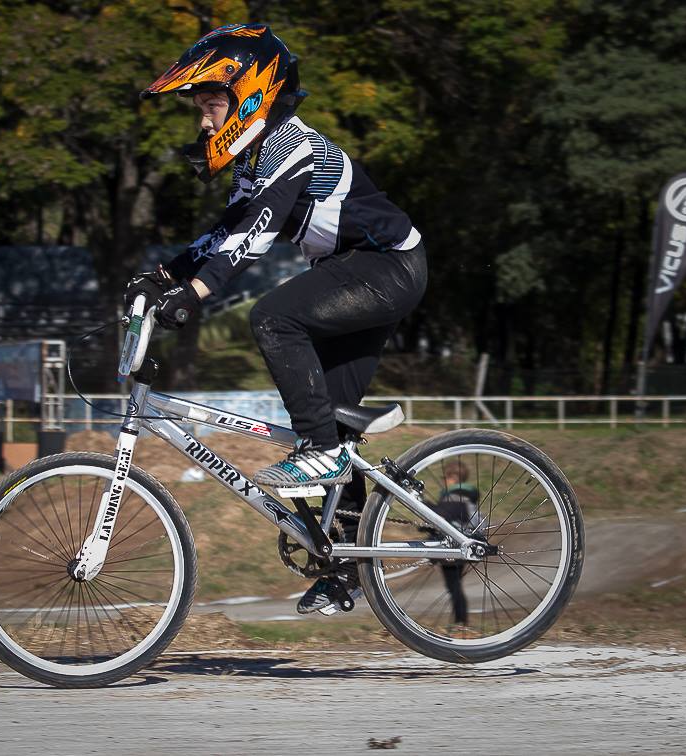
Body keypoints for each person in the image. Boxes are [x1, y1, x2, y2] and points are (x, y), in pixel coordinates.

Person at [130, 23, 427, 613]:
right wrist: (165, 276)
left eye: (212, 105)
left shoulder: (291, 147)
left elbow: (253, 236)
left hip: (386, 267)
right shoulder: (257, 160)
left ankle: (316, 450)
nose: (204, 122)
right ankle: (344, 568)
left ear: (251, 97)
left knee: (274, 318)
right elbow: (225, 230)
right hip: (357, 271)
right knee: (337, 430)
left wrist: (194, 293)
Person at [431, 460, 483, 631]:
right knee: (456, 585)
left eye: (445, 477)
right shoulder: (469, 498)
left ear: (452, 477)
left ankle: (461, 622)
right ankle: (460, 621)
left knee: (453, 586)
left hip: (451, 547)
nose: (444, 481)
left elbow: (439, 519)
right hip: (464, 545)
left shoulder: (452, 496)